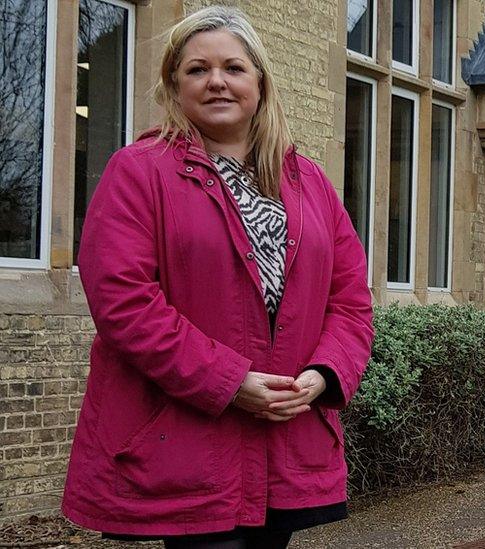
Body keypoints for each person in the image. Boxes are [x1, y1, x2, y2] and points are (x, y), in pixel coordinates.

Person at [61, 6, 374, 548]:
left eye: (233, 67)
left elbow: (350, 301)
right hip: (184, 442)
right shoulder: (139, 171)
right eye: (197, 70)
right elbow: (124, 302)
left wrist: (322, 375)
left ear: (259, 80)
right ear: (174, 84)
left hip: (285, 439)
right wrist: (229, 383)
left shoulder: (310, 183)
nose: (216, 82)